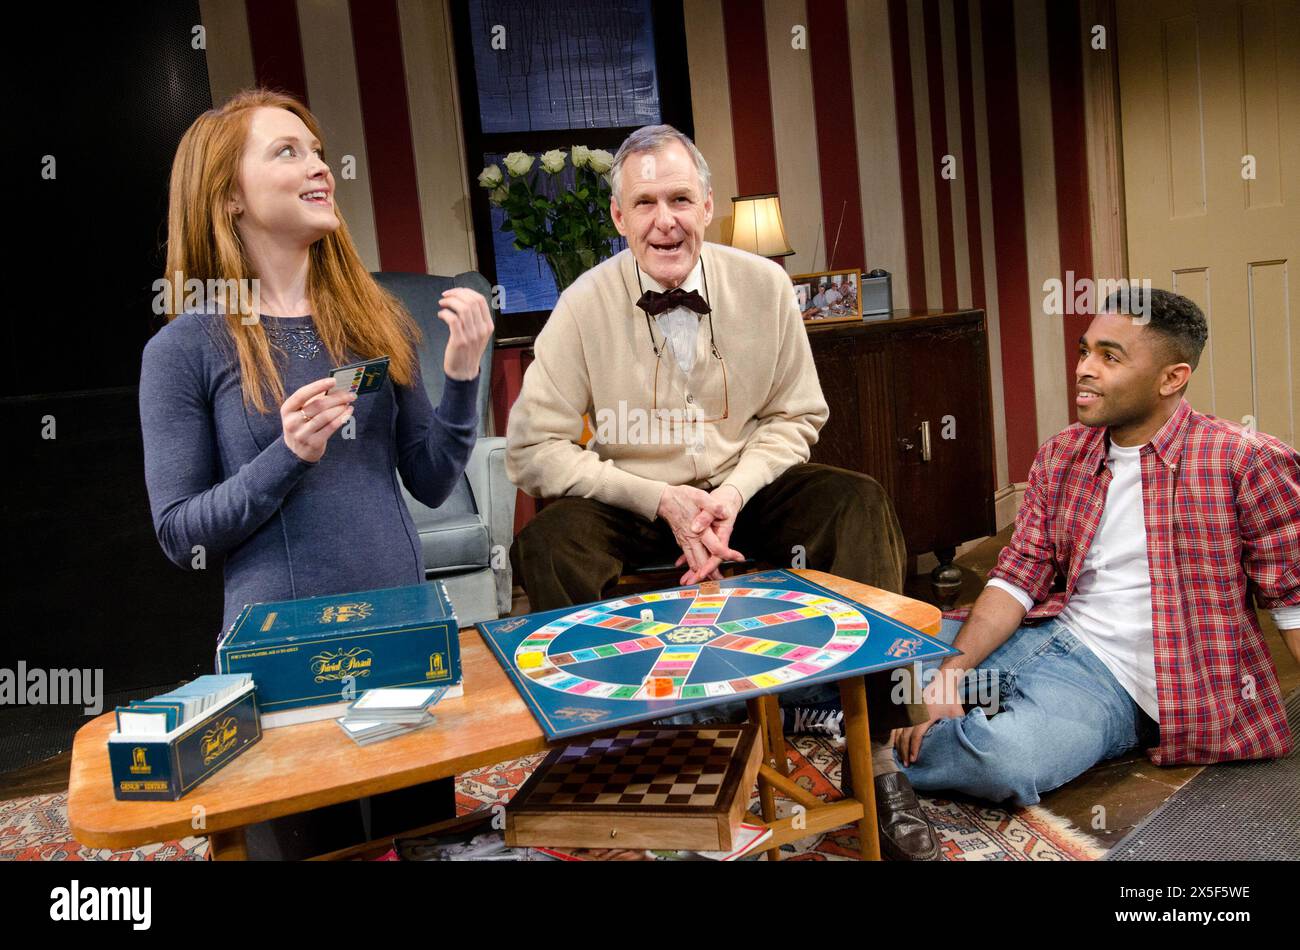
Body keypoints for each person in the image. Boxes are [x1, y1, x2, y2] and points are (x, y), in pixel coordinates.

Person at [506, 124, 939, 860]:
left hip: (744, 492)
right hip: (634, 501)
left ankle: (882, 760)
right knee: (546, 544)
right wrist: (656, 499)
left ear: (708, 206)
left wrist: (733, 493)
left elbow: (797, 415)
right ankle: (614, 747)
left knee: (857, 501)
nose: (663, 220)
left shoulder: (764, 287)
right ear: (619, 218)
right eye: (643, 203)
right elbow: (530, 450)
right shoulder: (582, 305)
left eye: (680, 199)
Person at [139, 89, 493, 856]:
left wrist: (462, 378)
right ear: (229, 195)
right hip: (280, 668)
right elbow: (179, 533)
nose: (320, 167)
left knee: (425, 844)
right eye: (287, 152)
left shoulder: (375, 318)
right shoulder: (186, 347)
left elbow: (430, 479)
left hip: (401, 642)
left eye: (318, 151)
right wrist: (286, 456)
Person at [889, 289, 1300, 807]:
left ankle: (880, 749)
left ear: (1172, 378)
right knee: (870, 659)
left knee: (1007, 763)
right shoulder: (1062, 454)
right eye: (1084, 351)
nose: (1084, 368)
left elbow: (1293, 601)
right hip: (1044, 631)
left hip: (1114, 686)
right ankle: (900, 723)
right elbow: (1017, 577)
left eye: (1110, 357)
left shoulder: (1246, 460)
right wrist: (949, 676)